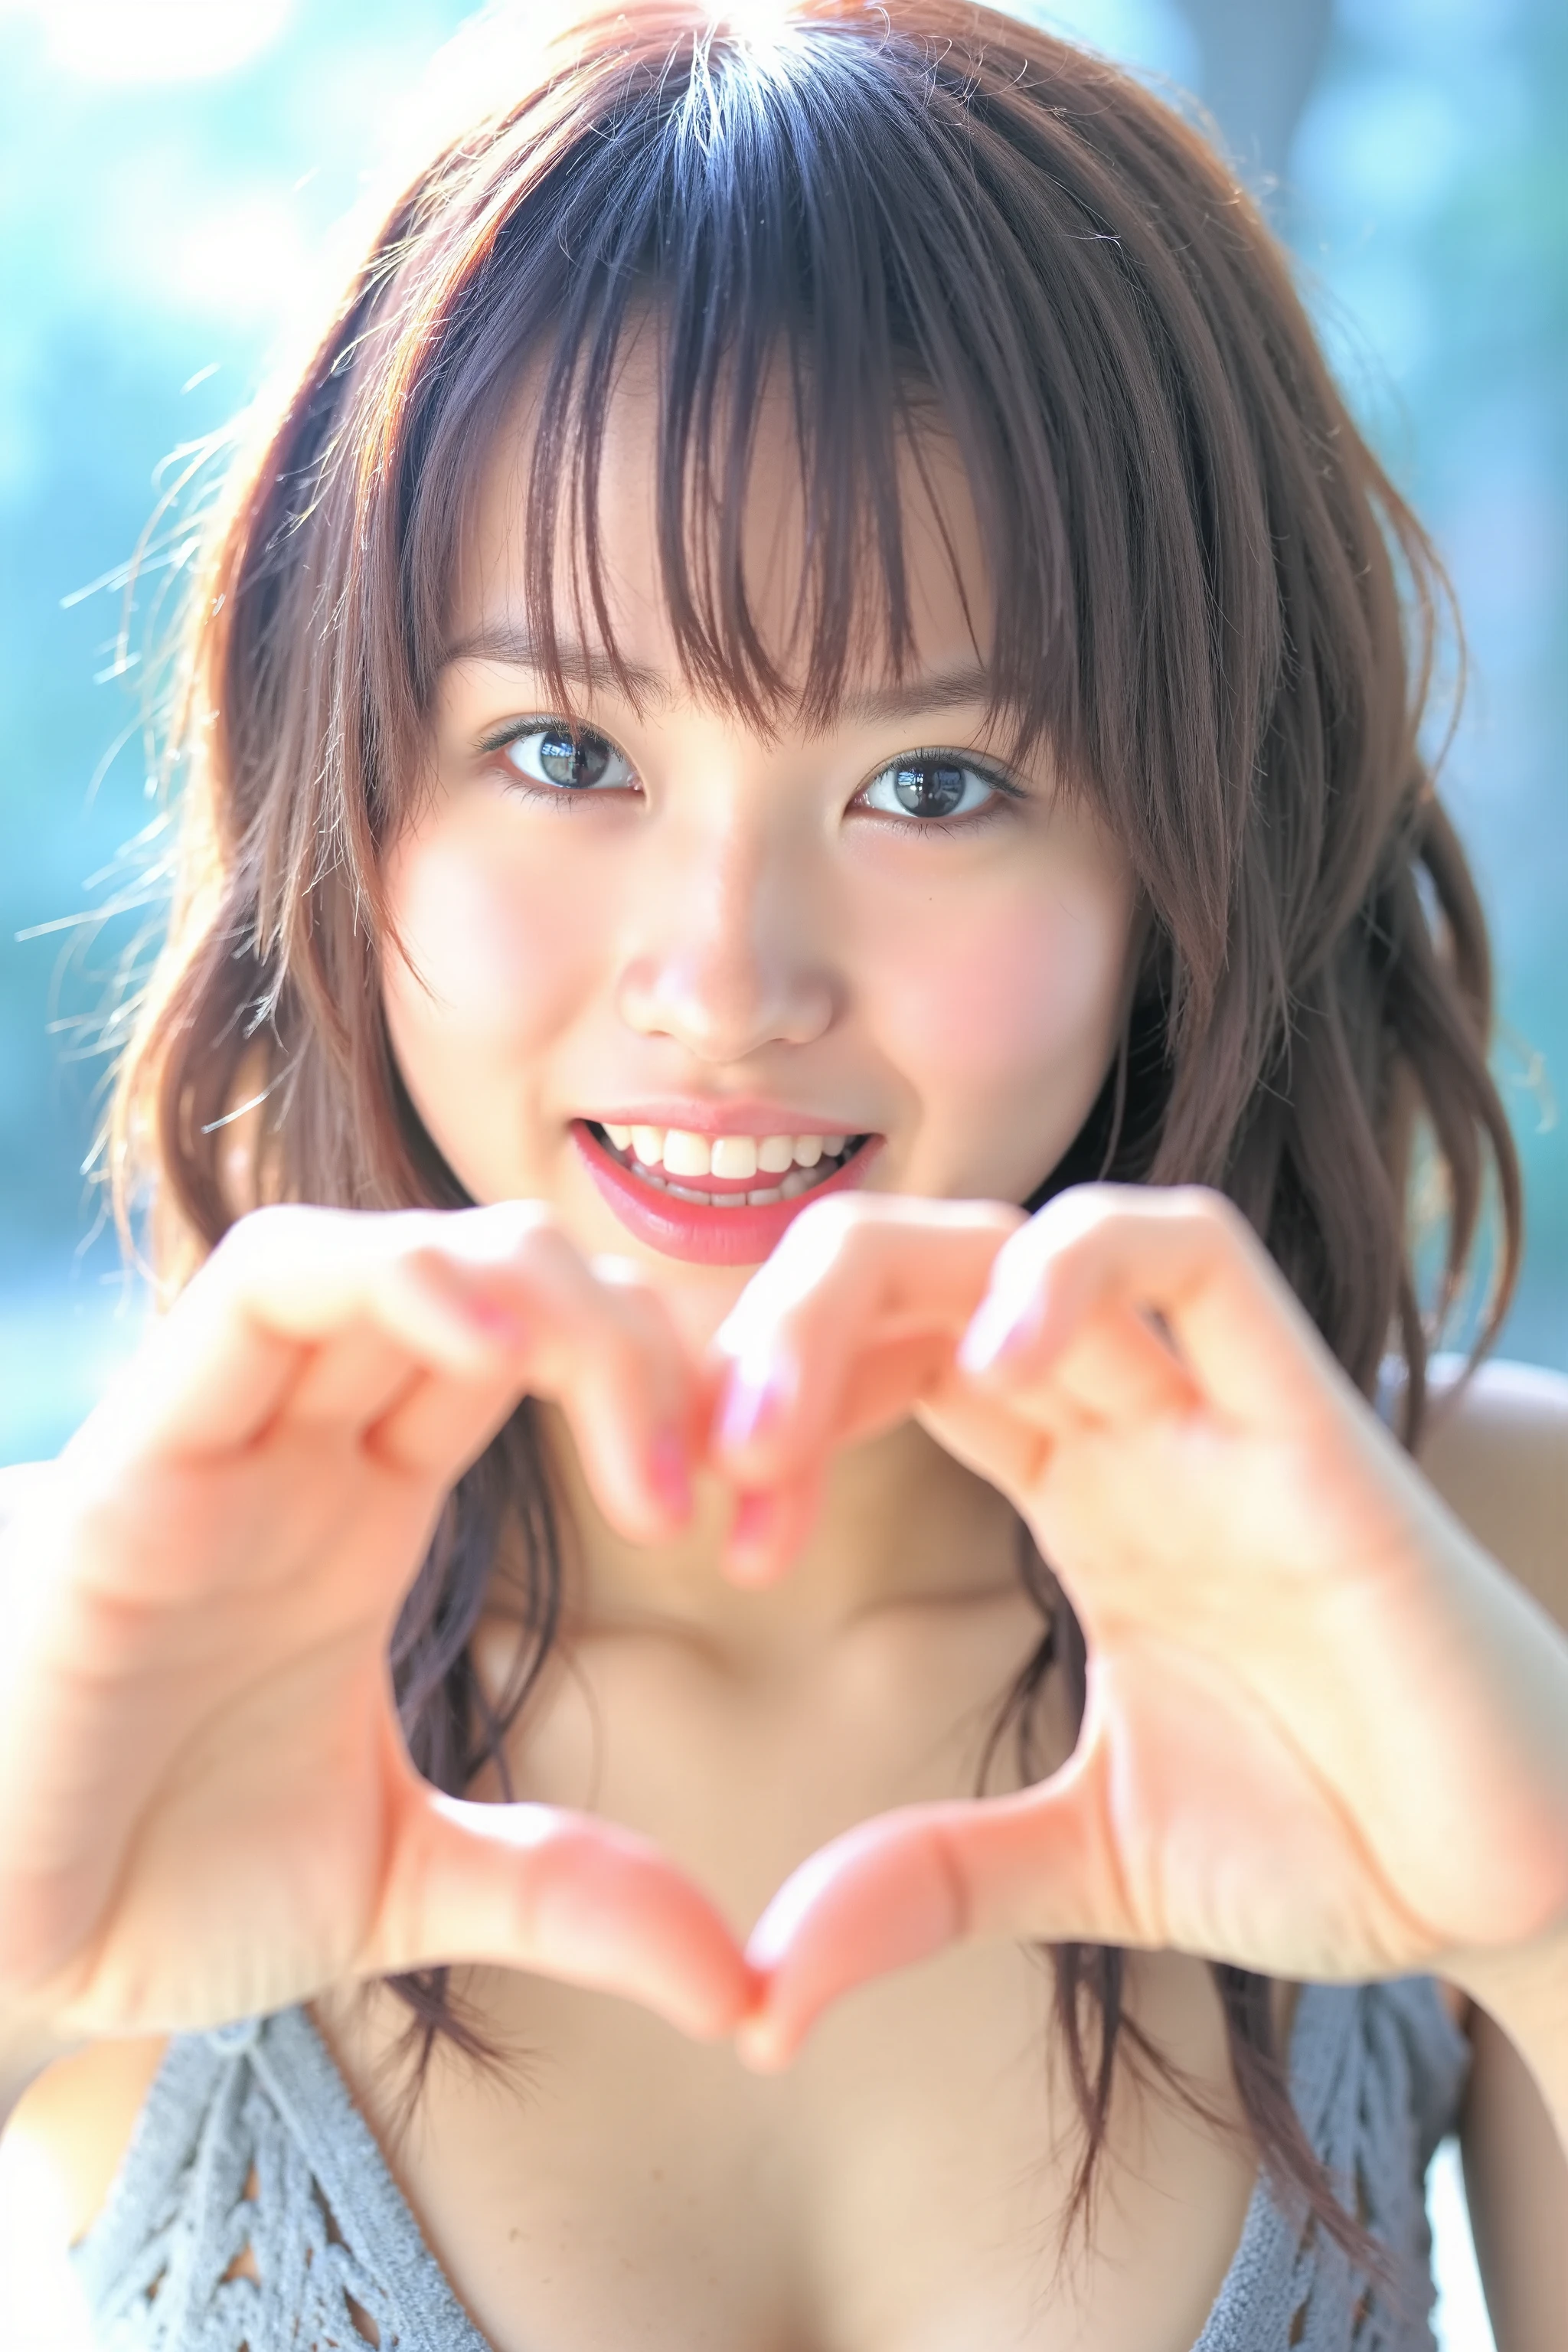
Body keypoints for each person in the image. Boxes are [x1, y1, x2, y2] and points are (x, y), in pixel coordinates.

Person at [1, 3, 1565, 2344]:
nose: (725, 982)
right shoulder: (93, 1646)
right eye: (558, 746)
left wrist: (1546, 1922)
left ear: (1185, 853)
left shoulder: (1477, 1570)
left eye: (936, 786)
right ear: (345, 797)